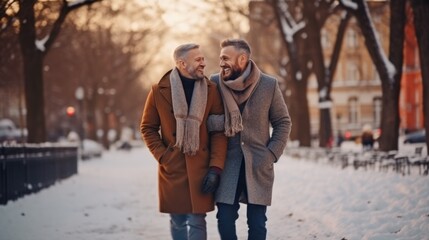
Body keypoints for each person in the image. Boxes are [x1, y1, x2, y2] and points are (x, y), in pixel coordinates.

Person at [140, 43, 227, 240]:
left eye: (203, 59)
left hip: (201, 168)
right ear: (181, 63)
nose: (203, 63)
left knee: (198, 220)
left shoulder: (211, 91)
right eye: (198, 60)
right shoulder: (158, 91)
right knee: (178, 220)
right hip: (173, 168)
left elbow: (218, 132)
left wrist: (215, 168)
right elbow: (147, 127)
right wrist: (163, 156)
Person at [208, 39, 292, 240]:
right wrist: (226, 122)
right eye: (220, 58)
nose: (221, 63)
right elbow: (206, 121)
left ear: (242, 59)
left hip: (258, 164)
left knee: (257, 223)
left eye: (225, 58)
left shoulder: (269, 84)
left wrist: (271, 154)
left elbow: (283, 122)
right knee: (225, 220)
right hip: (227, 164)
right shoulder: (214, 83)